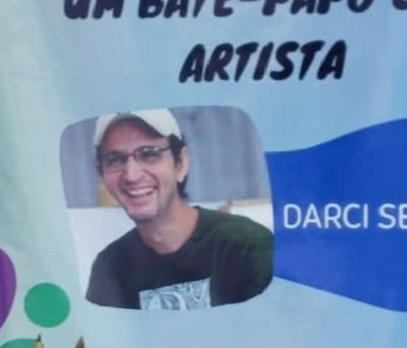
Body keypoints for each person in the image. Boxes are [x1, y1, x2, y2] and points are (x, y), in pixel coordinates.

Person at [85, 108, 274, 310]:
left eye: (149, 154)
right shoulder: (110, 267)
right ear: (101, 175)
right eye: (115, 160)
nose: (131, 175)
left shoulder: (247, 246)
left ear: (180, 163)